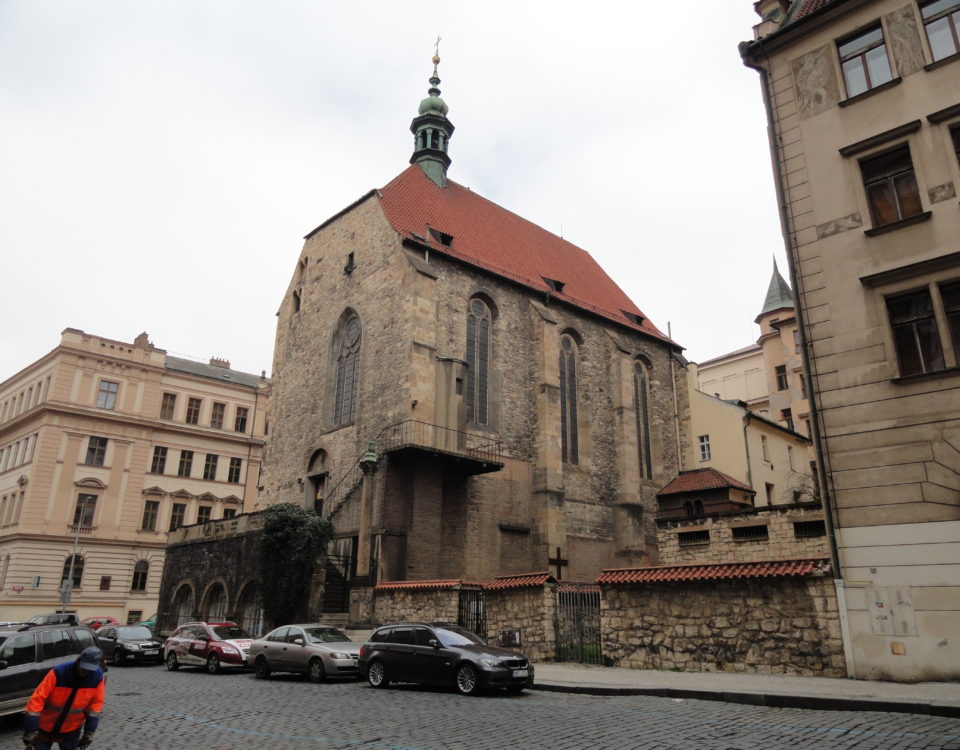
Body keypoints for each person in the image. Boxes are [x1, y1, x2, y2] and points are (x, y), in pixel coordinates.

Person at [22, 646, 105, 750]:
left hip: (71, 729)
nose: (85, 672)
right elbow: (37, 700)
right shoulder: (59, 672)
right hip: (45, 727)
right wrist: (31, 730)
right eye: (83, 668)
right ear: (78, 661)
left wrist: (89, 733)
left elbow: (95, 706)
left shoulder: (97, 677)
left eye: (89, 669)